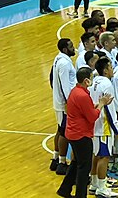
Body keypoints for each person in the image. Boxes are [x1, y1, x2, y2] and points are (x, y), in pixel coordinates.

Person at [57, 67, 114, 198]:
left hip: (73, 133)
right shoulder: (82, 95)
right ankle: (80, 195)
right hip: (81, 135)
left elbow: (84, 110)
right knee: (84, 167)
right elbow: (93, 116)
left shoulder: (75, 91)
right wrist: (101, 104)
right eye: (91, 78)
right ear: (86, 80)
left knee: (77, 162)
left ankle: (64, 190)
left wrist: (98, 105)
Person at [86, 58, 118, 198]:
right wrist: (116, 127)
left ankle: (94, 184)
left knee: (97, 155)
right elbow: (110, 109)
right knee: (104, 156)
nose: (112, 69)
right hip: (103, 125)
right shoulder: (107, 84)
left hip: (94, 123)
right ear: (105, 70)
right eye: (111, 67)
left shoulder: (94, 81)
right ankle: (101, 187)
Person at [50, 38, 77, 175]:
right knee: (63, 132)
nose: (74, 48)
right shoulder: (64, 64)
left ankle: (55, 159)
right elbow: (65, 86)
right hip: (64, 104)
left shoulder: (59, 59)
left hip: (61, 102)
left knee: (60, 130)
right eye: (72, 46)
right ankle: (61, 163)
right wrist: (69, 102)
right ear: (66, 49)